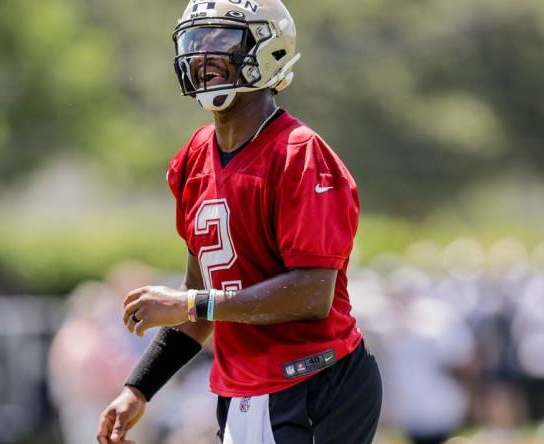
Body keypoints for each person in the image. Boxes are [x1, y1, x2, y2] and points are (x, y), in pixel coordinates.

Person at [96, 1, 382, 443]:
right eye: (196, 41)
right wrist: (138, 388)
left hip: (314, 381)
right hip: (243, 388)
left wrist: (192, 304)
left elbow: (311, 292)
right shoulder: (195, 156)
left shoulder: (299, 153)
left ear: (269, 48)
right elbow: (200, 293)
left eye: (221, 41)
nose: (202, 56)